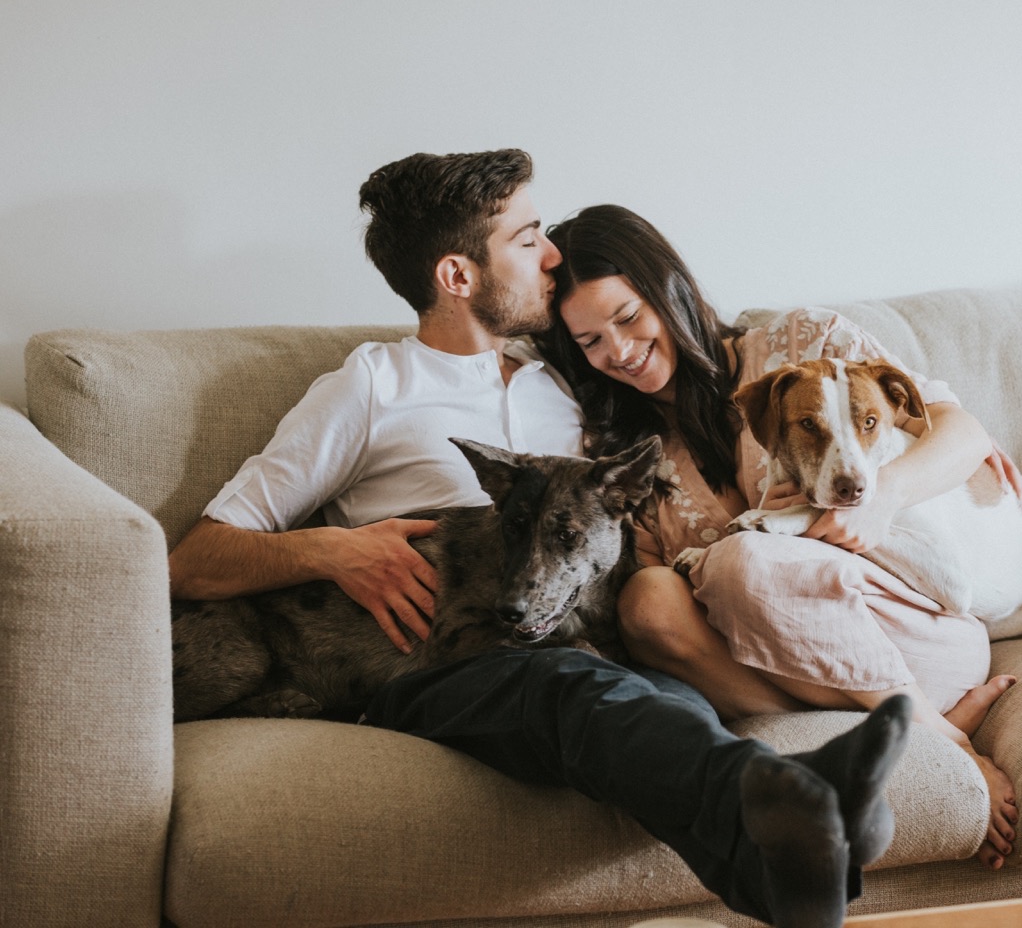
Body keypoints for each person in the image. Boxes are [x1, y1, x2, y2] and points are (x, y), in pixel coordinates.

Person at [167, 149, 914, 928]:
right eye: (527, 240)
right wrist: (334, 549)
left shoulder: (568, 382)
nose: (552, 253)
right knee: (575, 689)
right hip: (439, 657)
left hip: (569, 634)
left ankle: (795, 857)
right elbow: (195, 558)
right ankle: (813, 807)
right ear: (458, 276)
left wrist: (916, 459)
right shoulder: (370, 386)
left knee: (669, 701)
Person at [543, 205, 1022, 872]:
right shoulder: (631, 456)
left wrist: (884, 495)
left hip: (913, 633)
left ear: (669, 289)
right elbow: (662, 622)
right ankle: (900, 719)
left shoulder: (801, 341)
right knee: (649, 599)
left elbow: (960, 430)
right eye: (591, 342)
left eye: (627, 317)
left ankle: (936, 734)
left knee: (743, 559)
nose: (619, 351)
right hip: (776, 657)